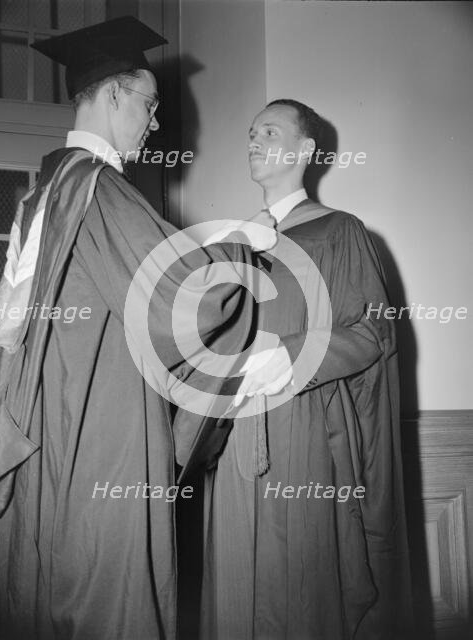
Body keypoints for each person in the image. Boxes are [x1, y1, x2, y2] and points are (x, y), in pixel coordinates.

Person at [0, 17, 279, 640]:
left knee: (50, 583)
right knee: (108, 592)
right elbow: (181, 301)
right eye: (148, 105)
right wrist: (242, 254)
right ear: (114, 94)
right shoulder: (97, 187)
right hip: (100, 428)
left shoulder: (41, 192)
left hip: (46, 429)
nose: (153, 123)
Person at [199, 99, 413, 639]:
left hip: (303, 434)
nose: (253, 138)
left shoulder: (341, 232)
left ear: (305, 150)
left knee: (298, 591)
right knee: (234, 587)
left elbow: (375, 330)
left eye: (269, 130)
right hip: (229, 445)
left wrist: (294, 353)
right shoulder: (231, 240)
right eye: (250, 131)